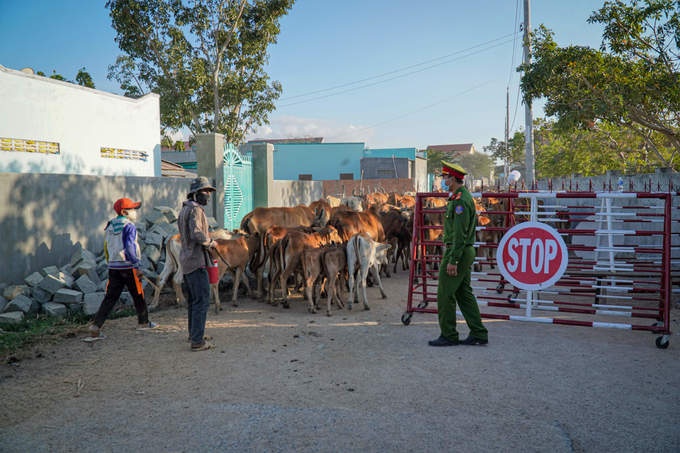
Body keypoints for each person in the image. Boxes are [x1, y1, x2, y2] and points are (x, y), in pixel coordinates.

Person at [429, 161, 489, 347]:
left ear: (453, 179)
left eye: (445, 177)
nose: (443, 180)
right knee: (463, 293)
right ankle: (479, 333)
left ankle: (449, 335)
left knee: (445, 294)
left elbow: (460, 233)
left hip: (459, 251)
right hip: (462, 250)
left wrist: (453, 259)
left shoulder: (460, 201)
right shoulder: (459, 198)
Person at [89, 198, 158, 338]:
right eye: (132, 209)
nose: (135, 212)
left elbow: (106, 247)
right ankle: (143, 322)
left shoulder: (109, 225)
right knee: (138, 294)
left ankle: (95, 326)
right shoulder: (129, 226)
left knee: (110, 297)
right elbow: (130, 246)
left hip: (113, 267)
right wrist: (136, 265)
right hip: (128, 266)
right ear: (124, 212)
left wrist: (110, 263)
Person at [178, 176, 217, 352]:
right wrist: (210, 242)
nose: (207, 194)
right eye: (204, 191)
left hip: (186, 260)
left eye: (208, 191)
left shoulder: (184, 209)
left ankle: (194, 334)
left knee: (194, 301)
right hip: (196, 261)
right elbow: (197, 233)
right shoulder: (196, 211)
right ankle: (197, 342)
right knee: (202, 300)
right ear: (195, 193)